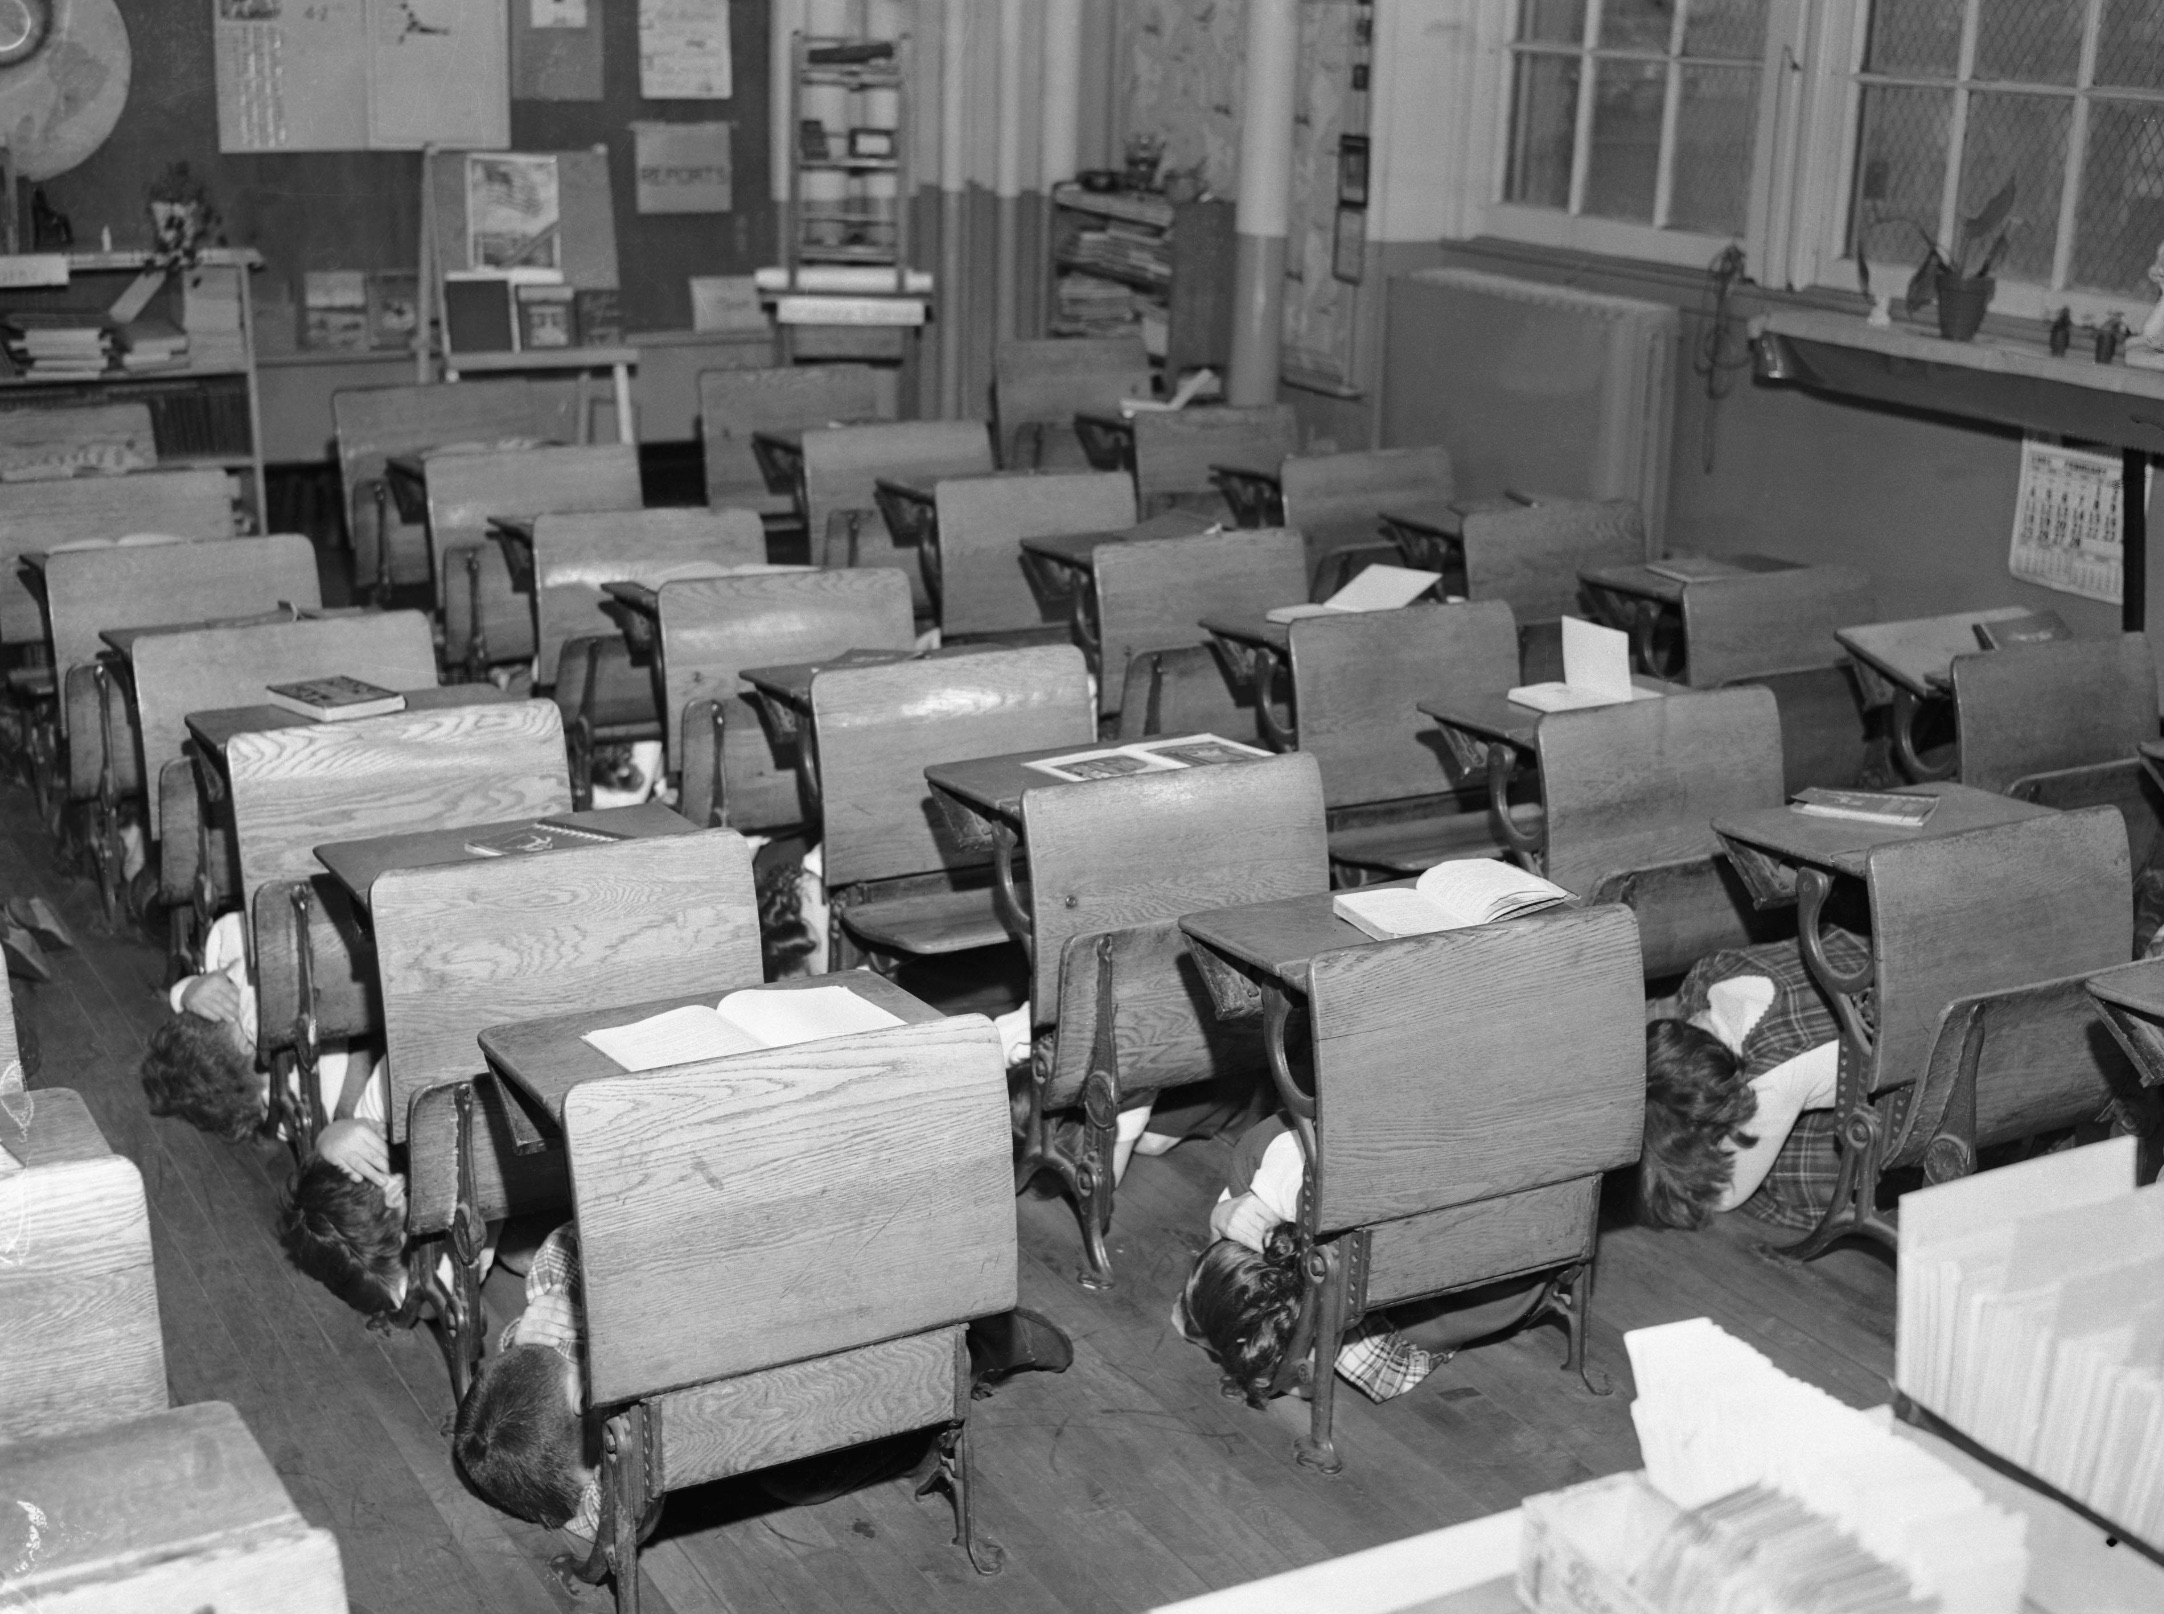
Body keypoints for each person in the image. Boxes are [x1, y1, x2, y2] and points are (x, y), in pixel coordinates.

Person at [1175, 1114, 1544, 1406]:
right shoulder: (1255, 1152)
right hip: (1490, 1156)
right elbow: (1210, 1279)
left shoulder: (1348, 1248)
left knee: (1383, 1358)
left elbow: (1304, 1384)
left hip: (1501, 1252)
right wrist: (1219, 1219)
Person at [1638, 926, 1868, 1233]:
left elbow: (1725, 1194)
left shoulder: (1770, 1082)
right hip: (1880, 954)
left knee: (1785, 1181)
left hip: (1915, 1049)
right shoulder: (1712, 973)